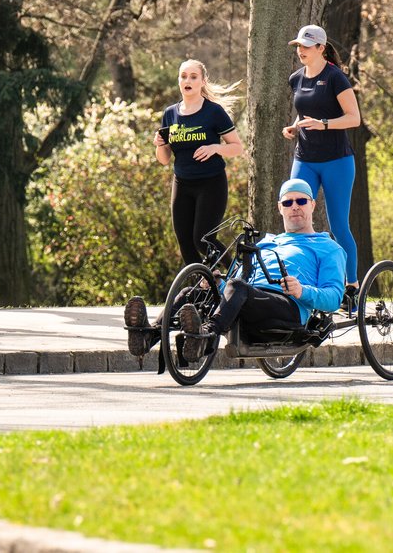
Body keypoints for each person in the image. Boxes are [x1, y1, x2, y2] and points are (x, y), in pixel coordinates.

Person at [124, 179, 346, 361]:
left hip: (287, 308)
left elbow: (335, 298)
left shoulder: (327, 247)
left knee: (238, 287)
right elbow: (235, 282)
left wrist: (302, 291)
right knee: (193, 293)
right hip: (248, 298)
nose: (295, 206)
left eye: (301, 201)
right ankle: (148, 336)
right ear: (280, 208)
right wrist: (218, 284)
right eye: (288, 203)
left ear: (312, 205)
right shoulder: (265, 243)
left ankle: (206, 336)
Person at [282, 24, 361, 303]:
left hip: (337, 162)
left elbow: (354, 118)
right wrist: (294, 127)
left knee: (339, 226)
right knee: (294, 217)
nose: (301, 51)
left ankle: (351, 287)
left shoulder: (335, 78)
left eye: (306, 46)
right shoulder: (296, 78)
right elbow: (307, 112)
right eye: (299, 46)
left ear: (321, 48)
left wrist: (323, 124)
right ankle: (298, 285)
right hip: (305, 159)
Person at [154, 60, 244, 265]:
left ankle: (236, 276)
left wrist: (215, 148)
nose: (188, 80)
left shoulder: (213, 111)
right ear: (178, 80)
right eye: (183, 76)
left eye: (193, 77)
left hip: (211, 183)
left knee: (202, 240)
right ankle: (206, 289)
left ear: (203, 81)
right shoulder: (170, 114)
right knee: (185, 243)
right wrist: (159, 144)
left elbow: (237, 147)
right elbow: (164, 159)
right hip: (182, 183)